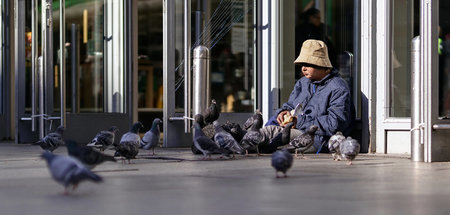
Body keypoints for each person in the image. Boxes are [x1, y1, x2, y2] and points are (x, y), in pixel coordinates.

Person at [262, 39, 355, 153]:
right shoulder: (303, 82)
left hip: (316, 138)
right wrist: (284, 112)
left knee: (271, 132)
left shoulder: (338, 88)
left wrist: (299, 121)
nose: (303, 68)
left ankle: (241, 139)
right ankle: (241, 138)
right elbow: (291, 105)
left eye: (308, 64)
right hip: (295, 130)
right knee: (267, 128)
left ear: (323, 66)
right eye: (302, 64)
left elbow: (334, 124)